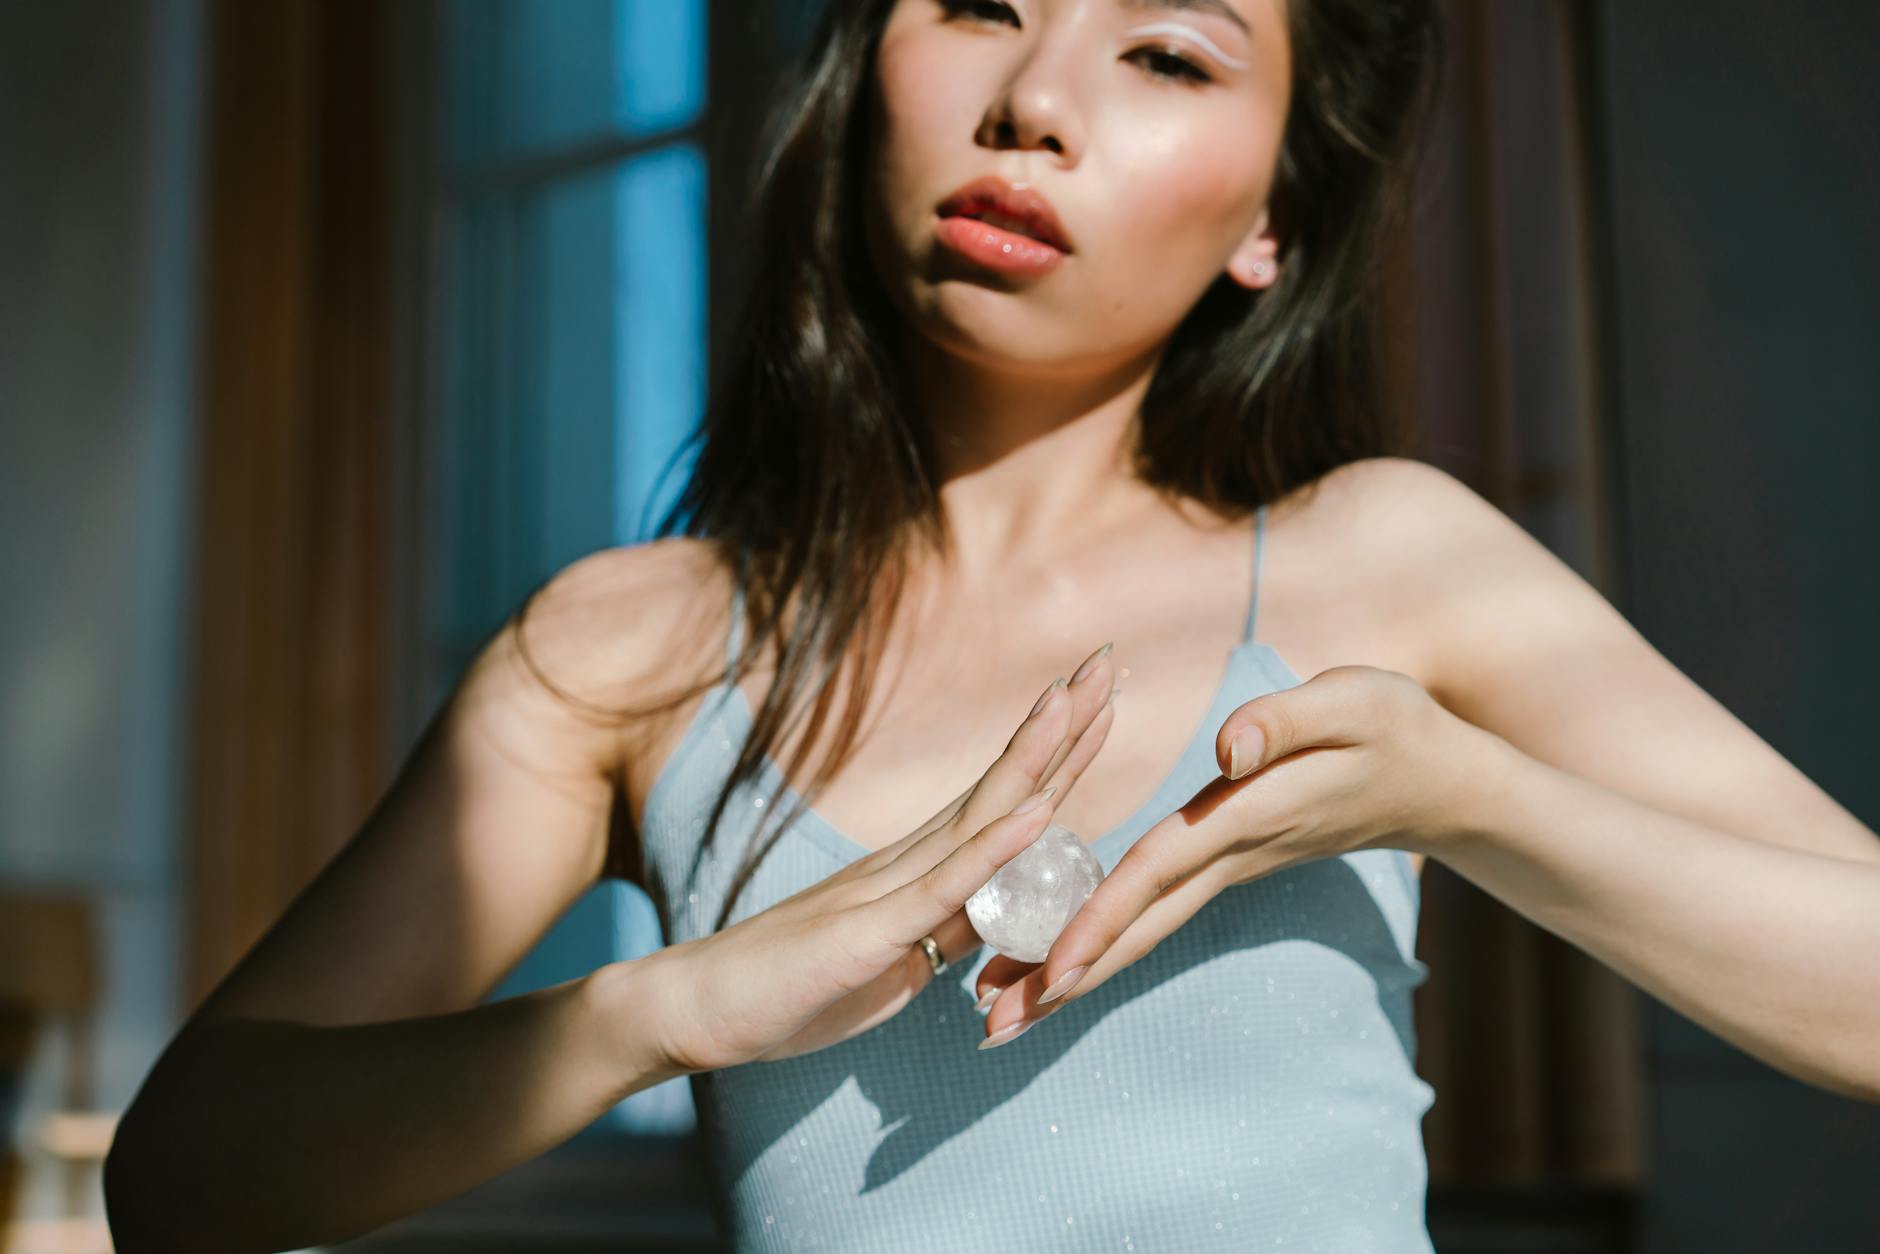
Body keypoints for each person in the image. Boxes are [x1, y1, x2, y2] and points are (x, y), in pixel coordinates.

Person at [106, 0, 1880, 1250]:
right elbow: (182, 1177)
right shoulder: (626, 653)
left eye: (1170, 53)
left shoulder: (1383, 561)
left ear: (1275, 216)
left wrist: (1471, 796)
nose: (1034, 99)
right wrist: (662, 1009)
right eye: (974, 4)